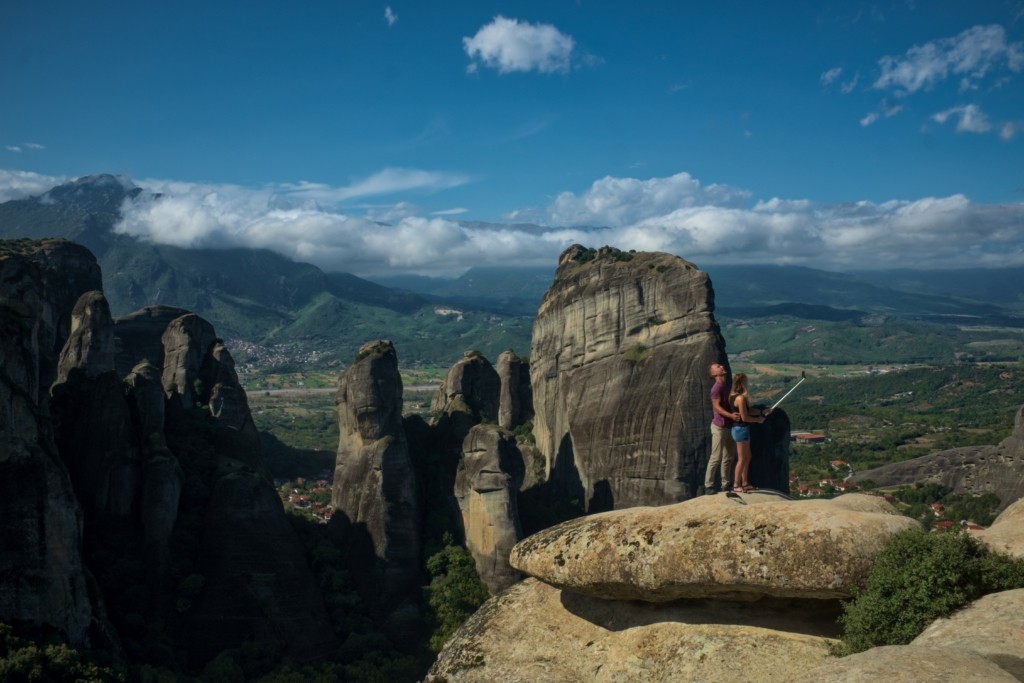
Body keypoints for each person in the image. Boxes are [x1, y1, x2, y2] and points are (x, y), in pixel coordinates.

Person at [730, 373, 771, 493]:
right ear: (743, 383)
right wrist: (758, 420)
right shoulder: (740, 398)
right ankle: (736, 485)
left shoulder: (734, 396)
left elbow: (748, 410)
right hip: (741, 429)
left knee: (747, 457)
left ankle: (745, 483)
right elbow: (745, 417)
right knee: (742, 459)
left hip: (741, 429)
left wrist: (762, 411)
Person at [704, 362, 740, 494]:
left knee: (729, 457)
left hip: (729, 426)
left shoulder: (726, 386)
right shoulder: (717, 388)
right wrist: (731, 415)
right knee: (716, 457)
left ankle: (726, 484)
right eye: (718, 367)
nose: (722, 367)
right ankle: (709, 485)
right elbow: (716, 407)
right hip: (719, 426)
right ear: (714, 374)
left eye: (721, 365)